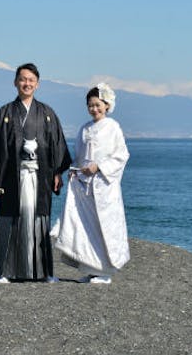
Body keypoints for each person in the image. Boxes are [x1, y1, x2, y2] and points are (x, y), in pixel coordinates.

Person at [0, 63, 72, 283]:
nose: (26, 83)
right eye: (23, 79)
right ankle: (4, 271)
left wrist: (57, 173)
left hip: (40, 176)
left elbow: (57, 146)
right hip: (11, 177)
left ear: (37, 84)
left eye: (31, 80)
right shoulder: (5, 113)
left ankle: (43, 272)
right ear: (16, 82)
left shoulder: (47, 114)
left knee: (39, 220)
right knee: (11, 220)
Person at [52, 83, 130, 284]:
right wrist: (75, 169)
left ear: (107, 105)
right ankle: (90, 268)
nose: (94, 109)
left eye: (97, 105)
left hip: (104, 186)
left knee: (103, 226)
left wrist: (100, 167)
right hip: (84, 185)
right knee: (86, 226)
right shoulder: (85, 128)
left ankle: (105, 271)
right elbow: (78, 155)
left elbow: (121, 155)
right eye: (90, 105)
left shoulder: (113, 127)